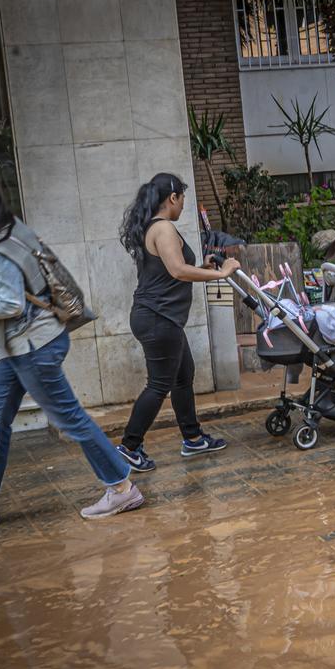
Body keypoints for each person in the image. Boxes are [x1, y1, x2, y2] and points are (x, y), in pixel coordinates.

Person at [0, 172, 140, 529]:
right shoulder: (11, 230)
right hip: (16, 348)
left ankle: (121, 487)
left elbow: (10, 304)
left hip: (32, 345)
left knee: (69, 418)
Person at [115, 173, 239, 471]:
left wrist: (203, 268)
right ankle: (129, 447)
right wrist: (221, 274)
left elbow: (174, 271)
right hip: (158, 318)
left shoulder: (154, 228)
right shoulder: (164, 229)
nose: (183, 205)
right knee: (159, 384)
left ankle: (193, 438)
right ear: (172, 198)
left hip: (160, 317)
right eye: (182, 199)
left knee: (183, 375)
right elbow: (178, 271)